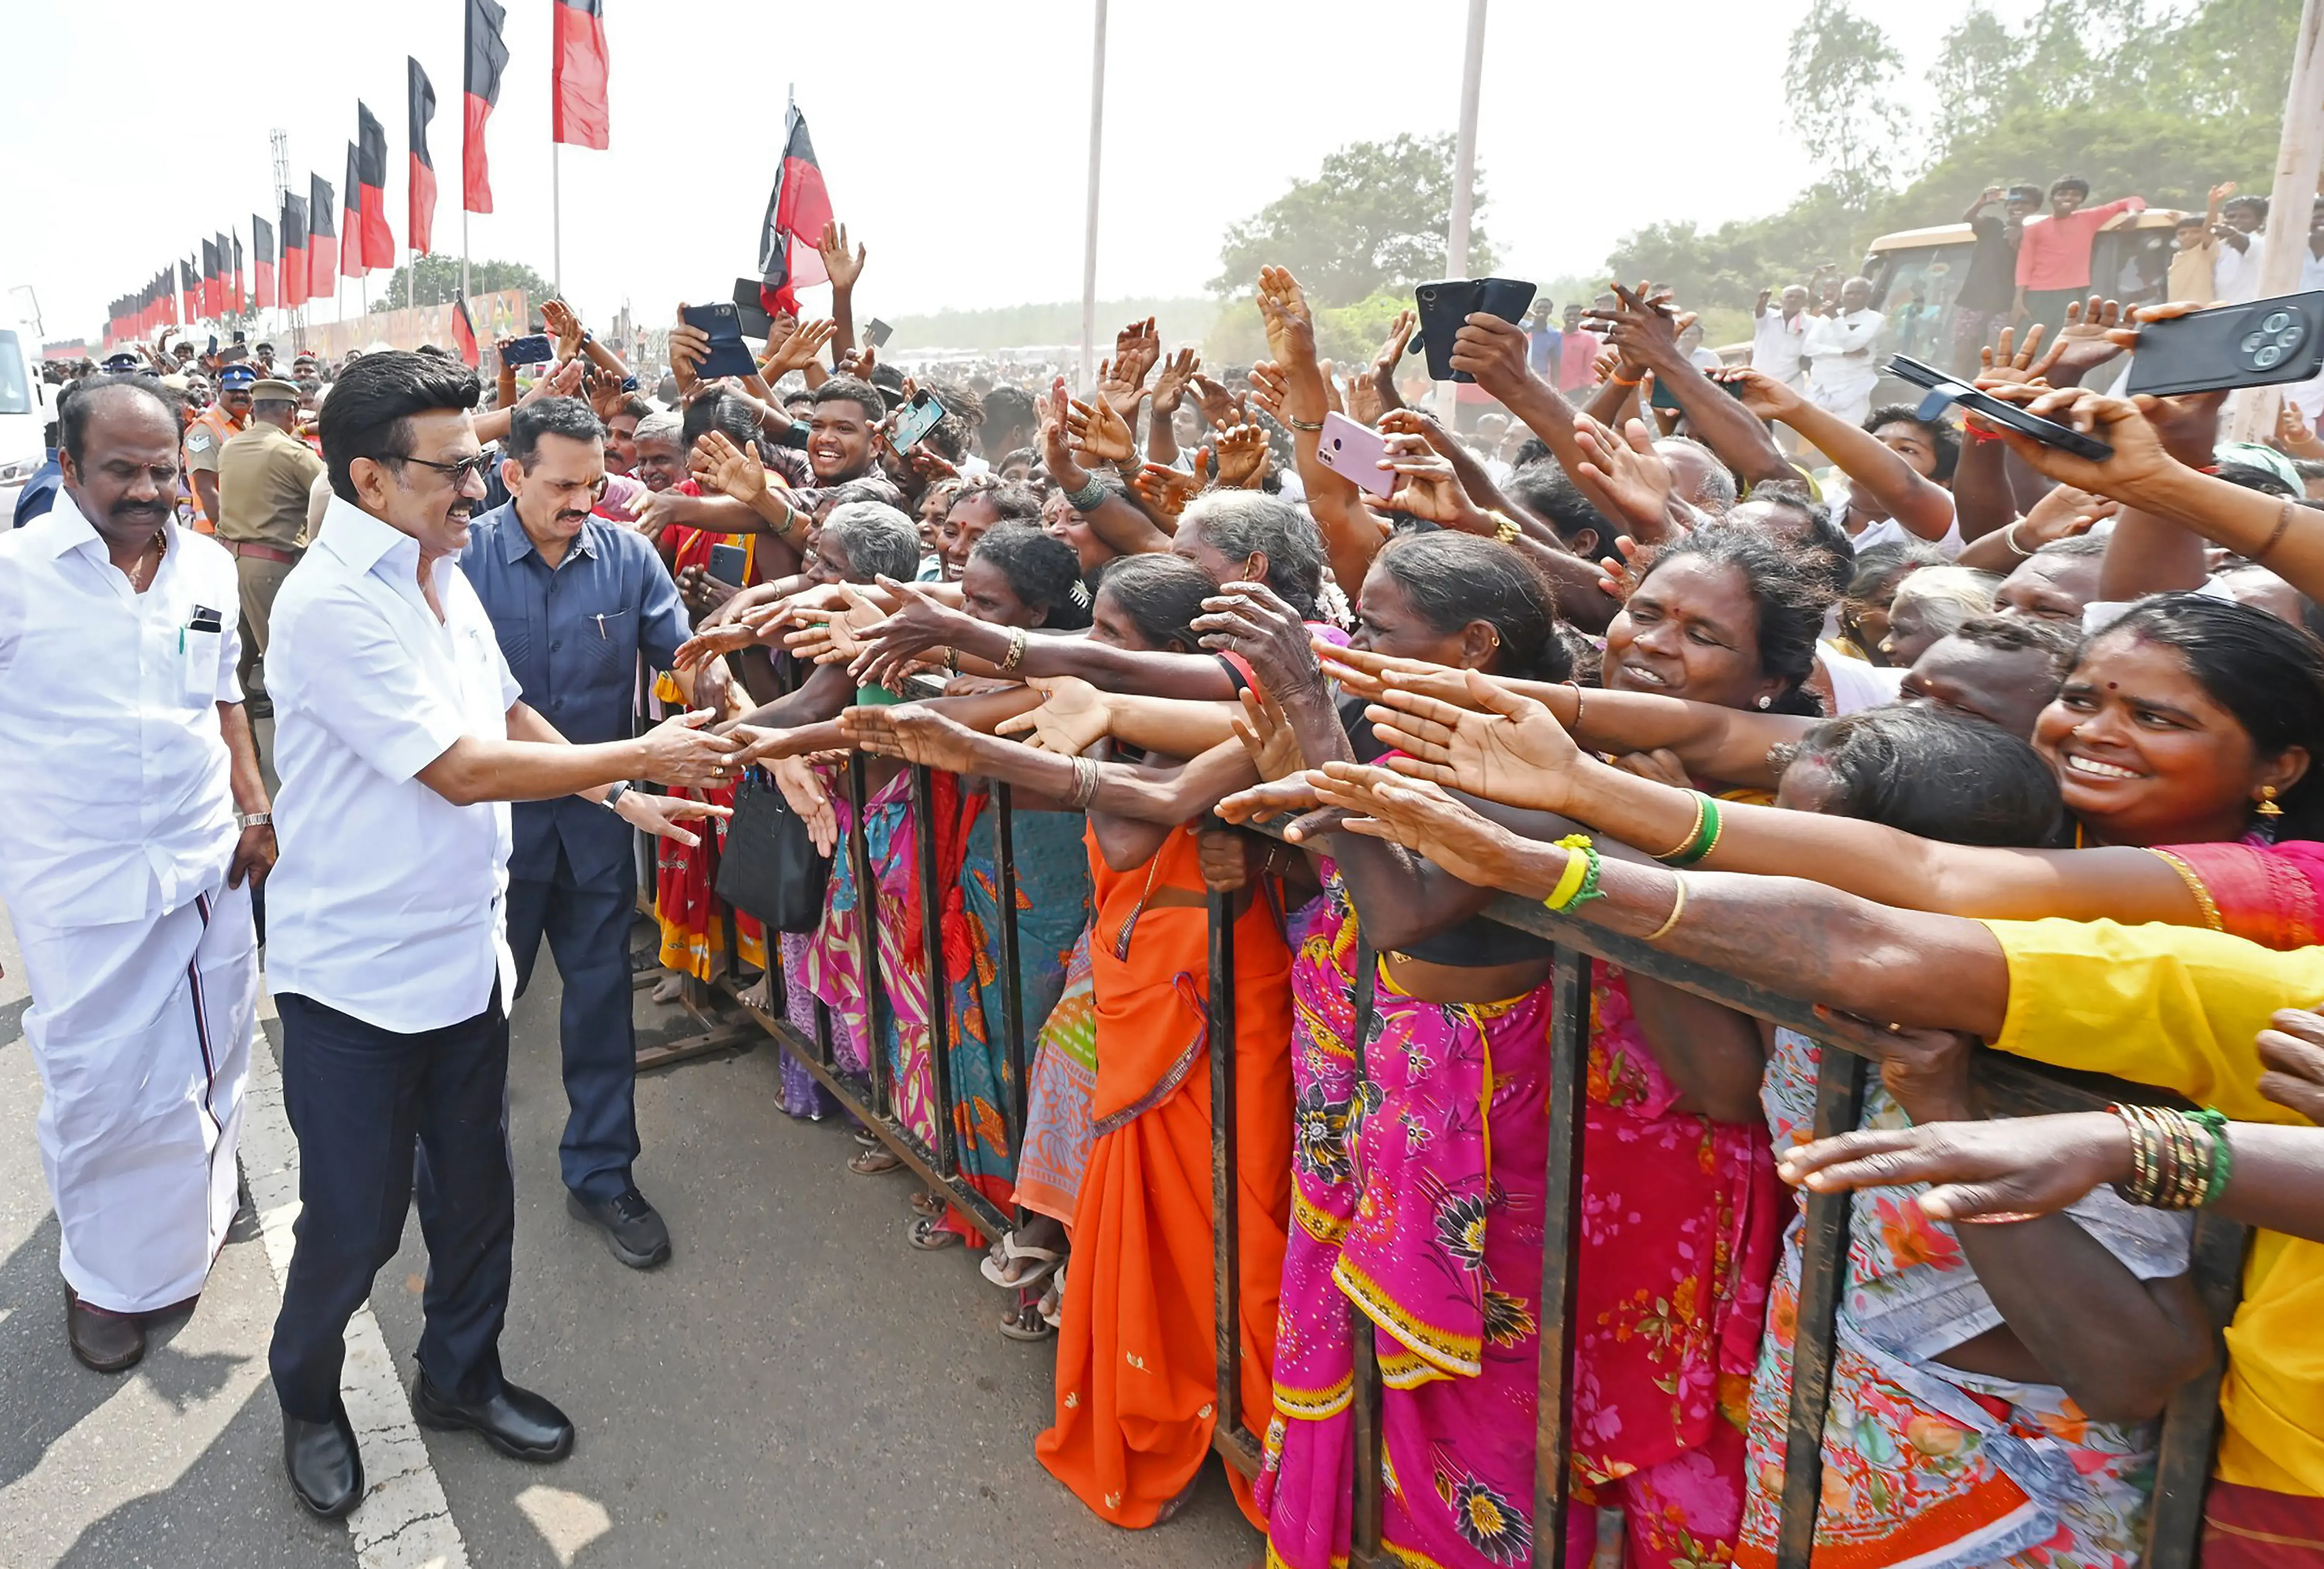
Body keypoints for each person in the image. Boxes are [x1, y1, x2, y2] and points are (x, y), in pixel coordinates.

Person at [1291, 767, 2324, 1565]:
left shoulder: (2081, 1066)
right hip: (1836, 1427)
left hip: (2018, 1494)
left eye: (1792, 861)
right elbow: (1758, 1039)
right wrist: (1597, 847)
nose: (1744, 886)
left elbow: (2135, 1371)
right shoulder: (1827, 1019)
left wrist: (1963, 1114)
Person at [261, 352, 736, 1519]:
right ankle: (309, 1395)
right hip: (358, 985)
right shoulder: (332, 604)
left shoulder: (440, 565)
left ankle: (461, 1376)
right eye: (456, 468)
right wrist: (637, 753)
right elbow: (464, 768)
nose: (478, 488)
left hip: (461, 960)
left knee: (475, 1198)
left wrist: (614, 800)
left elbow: (500, 705)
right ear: (371, 477)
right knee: (359, 1222)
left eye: (479, 465)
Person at [0, 375, 273, 1374]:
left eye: (163, 466)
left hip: (203, 860)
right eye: (122, 468)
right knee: (100, 1083)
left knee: (214, 1047)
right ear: (68, 466)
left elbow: (223, 695)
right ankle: (104, 1278)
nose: (150, 487)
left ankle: (201, 1198)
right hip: (80, 880)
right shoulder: (17, 574)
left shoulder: (202, 565)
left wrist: (253, 804)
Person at [459, 395, 699, 1270]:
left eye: (595, 483)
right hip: (492, 830)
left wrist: (761, 729)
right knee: (477, 1009)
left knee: (600, 1012)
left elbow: (687, 659)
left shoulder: (629, 557)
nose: (581, 501)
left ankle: (602, 1172)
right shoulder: (460, 560)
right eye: (562, 484)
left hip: (598, 834)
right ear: (511, 472)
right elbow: (485, 708)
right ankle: (455, 1164)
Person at [213, 377, 325, 715]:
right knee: (289, 667)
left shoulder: (231, 447)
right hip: (272, 570)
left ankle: (246, 745)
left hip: (231, 564)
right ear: (291, 412)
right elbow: (331, 493)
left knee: (242, 657)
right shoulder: (291, 454)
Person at [2014, 175, 2146, 335]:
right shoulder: (2035, 228)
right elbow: (2025, 263)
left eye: (2075, 194)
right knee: (2029, 342)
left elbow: (2134, 200)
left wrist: (2133, 215)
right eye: (2063, 194)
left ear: (2081, 200)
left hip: (2074, 293)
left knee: (2066, 341)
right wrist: (2019, 299)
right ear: (2052, 198)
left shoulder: (2089, 219)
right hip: (2038, 293)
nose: (2068, 198)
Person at [1953, 184, 2042, 374]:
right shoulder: (1992, 226)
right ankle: (1952, 397)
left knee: (1995, 356)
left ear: (2036, 209)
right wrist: (1981, 202)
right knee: (1962, 353)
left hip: (2007, 305)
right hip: (1973, 299)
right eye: (2012, 203)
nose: (2016, 207)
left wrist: (2017, 242)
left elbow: (2033, 268)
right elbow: (1969, 218)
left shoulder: (2037, 235)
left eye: (2024, 203)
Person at [1801, 276, 1886, 429]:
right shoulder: (1825, 318)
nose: (1853, 297)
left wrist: (1835, 318)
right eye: (1849, 293)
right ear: (1842, 295)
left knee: (1846, 441)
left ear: (1868, 296)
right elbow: (1809, 348)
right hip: (1820, 389)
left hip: (1852, 391)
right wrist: (1842, 354)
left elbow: (1852, 345)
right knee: (1814, 440)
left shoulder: (1876, 319)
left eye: (1859, 293)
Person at [183, 361, 254, 534]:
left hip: (245, 528)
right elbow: (206, 489)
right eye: (233, 390)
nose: (240, 396)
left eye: (245, 391)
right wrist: (227, 534)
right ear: (220, 389)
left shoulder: (247, 424)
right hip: (216, 532)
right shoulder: (205, 429)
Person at [1750, 283, 1810, 389]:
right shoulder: (1768, 317)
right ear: (1781, 300)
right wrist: (1763, 300)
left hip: (1790, 384)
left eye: (1799, 297)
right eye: (1789, 296)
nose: (1793, 300)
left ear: (1805, 302)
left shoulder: (1812, 323)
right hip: (1758, 381)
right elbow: (1759, 314)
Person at [2214, 192, 2271, 304]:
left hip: (2250, 311)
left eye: (2244, 217)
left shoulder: (2260, 243)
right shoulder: (2221, 247)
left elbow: (2244, 243)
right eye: (2231, 217)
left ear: (2260, 221)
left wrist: (2231, 234)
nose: (2236, 221)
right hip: (2223, 310)